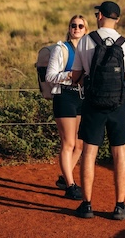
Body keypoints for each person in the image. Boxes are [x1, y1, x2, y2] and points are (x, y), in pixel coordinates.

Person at [71, 1, 125, 220]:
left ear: (99, 16)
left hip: (92, 103)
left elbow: (76, 75)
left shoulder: (86, 41)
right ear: (117, 19)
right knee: (120, 153)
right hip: (118, 104)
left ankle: (87, 205)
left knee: (89, 152)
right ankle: (119, 206)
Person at [45, 14, 89, 200]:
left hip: (82, 97)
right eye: (73, 25)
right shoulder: (60, 48)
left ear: (86, 29)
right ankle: (70, 186)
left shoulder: (88, 50)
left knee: (79, 144)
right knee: (68, 143)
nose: (76, 29)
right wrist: (70, 75)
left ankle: (65, 178)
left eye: (80, 26)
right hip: (64, 96)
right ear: (69, 28)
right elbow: (50, 76)